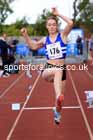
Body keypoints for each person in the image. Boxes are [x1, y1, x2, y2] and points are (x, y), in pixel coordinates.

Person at [21, 7, 73, 124]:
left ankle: (57, 112)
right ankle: (58, 95)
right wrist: (25, 35)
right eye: (49, 25)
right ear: (46, 26)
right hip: (49, 69)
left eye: (54, 24)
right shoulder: (45, 40)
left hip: (62, 70)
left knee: (60, 102)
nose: (52, 27)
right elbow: (33, 46)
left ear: (56, 26)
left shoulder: (63, 36)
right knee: (58, 71)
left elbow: (70, 23)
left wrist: (58, 13)